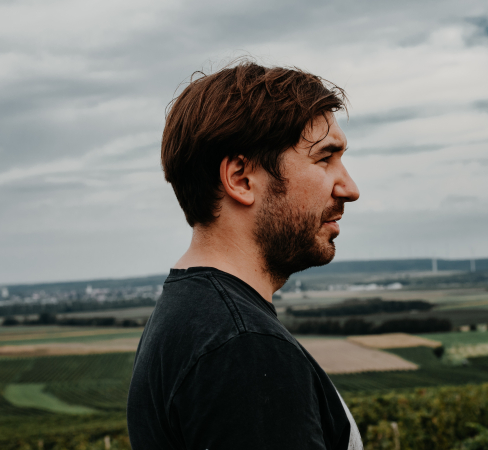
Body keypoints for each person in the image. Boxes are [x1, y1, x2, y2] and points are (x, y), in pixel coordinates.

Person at [126, 60, 362, 449]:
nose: (349, 187)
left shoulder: (187, 320)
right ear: (241, 178)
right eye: (324, 158)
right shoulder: (245, 350)